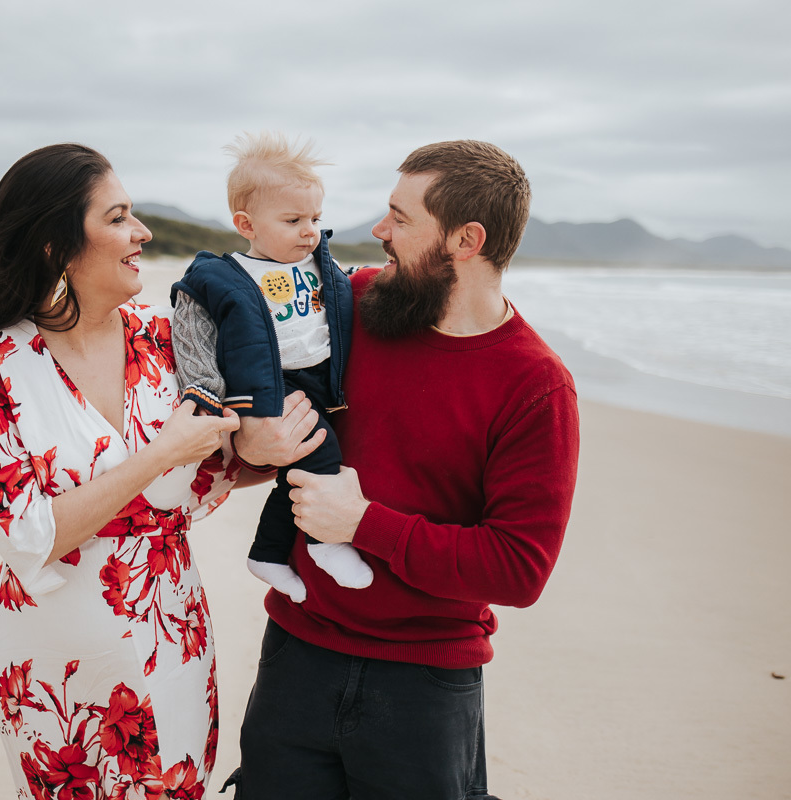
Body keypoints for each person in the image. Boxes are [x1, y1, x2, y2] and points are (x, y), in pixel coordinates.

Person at [0, 143, 320, 799]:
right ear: (54, 245)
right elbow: (30, 534)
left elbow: (216, 467)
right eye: (118, 217)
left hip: (169, 629)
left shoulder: (168, 335)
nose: (141, 232)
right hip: (52, 655)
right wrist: (160, 453)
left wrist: (266, 451)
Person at [226, 141, 581, 800]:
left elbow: (518, 569)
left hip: (426, 687)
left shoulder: (536, 386)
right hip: (296, 655)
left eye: (400, 218)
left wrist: (364, 525)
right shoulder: (349, 306)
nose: (378, 231)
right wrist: (251, 439)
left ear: (466, 240)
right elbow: (249, 419)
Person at [170, 132, 372, 603]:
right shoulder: (230, 275)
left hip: (320, 377)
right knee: (321, 456)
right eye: (294, 219)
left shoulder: (319, 264)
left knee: (297, 472)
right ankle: (326, 544)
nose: (311, 230)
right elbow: (192, 322)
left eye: (317, 218)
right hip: (269, 382)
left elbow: (348, 291)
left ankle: (267, 552)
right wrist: (205, 393)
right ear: (247, 224)